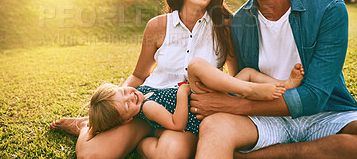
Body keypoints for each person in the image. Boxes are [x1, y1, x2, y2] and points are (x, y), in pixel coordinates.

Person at [189, 0, 357, 158]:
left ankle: (265, 155)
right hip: (265, 116)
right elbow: (240, 82)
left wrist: (233, 106)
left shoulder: (328, 8)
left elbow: (314, 97)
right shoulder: (239, 23)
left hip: (327, 113)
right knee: (215, 127)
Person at [50, 0, 236, 158]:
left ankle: (142, 142)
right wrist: (116, 105)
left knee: (171, 154)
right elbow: (139, 76)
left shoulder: (224, 26)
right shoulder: (157, 26)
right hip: (147, 105)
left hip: (186, 115)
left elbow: (234, 79)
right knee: (92, 155)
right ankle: (86, 125)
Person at [86, 63, 304, 138]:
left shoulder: (142, 92)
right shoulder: (147, 106)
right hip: (205, 110)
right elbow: (176, 124)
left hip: (206, 100)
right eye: (126, 105)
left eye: (123, 92)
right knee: (197, 66)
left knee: (246, 71)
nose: (130, 96)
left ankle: (283, 85)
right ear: (126, 120)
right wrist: (182, 93)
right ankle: (258, 90)